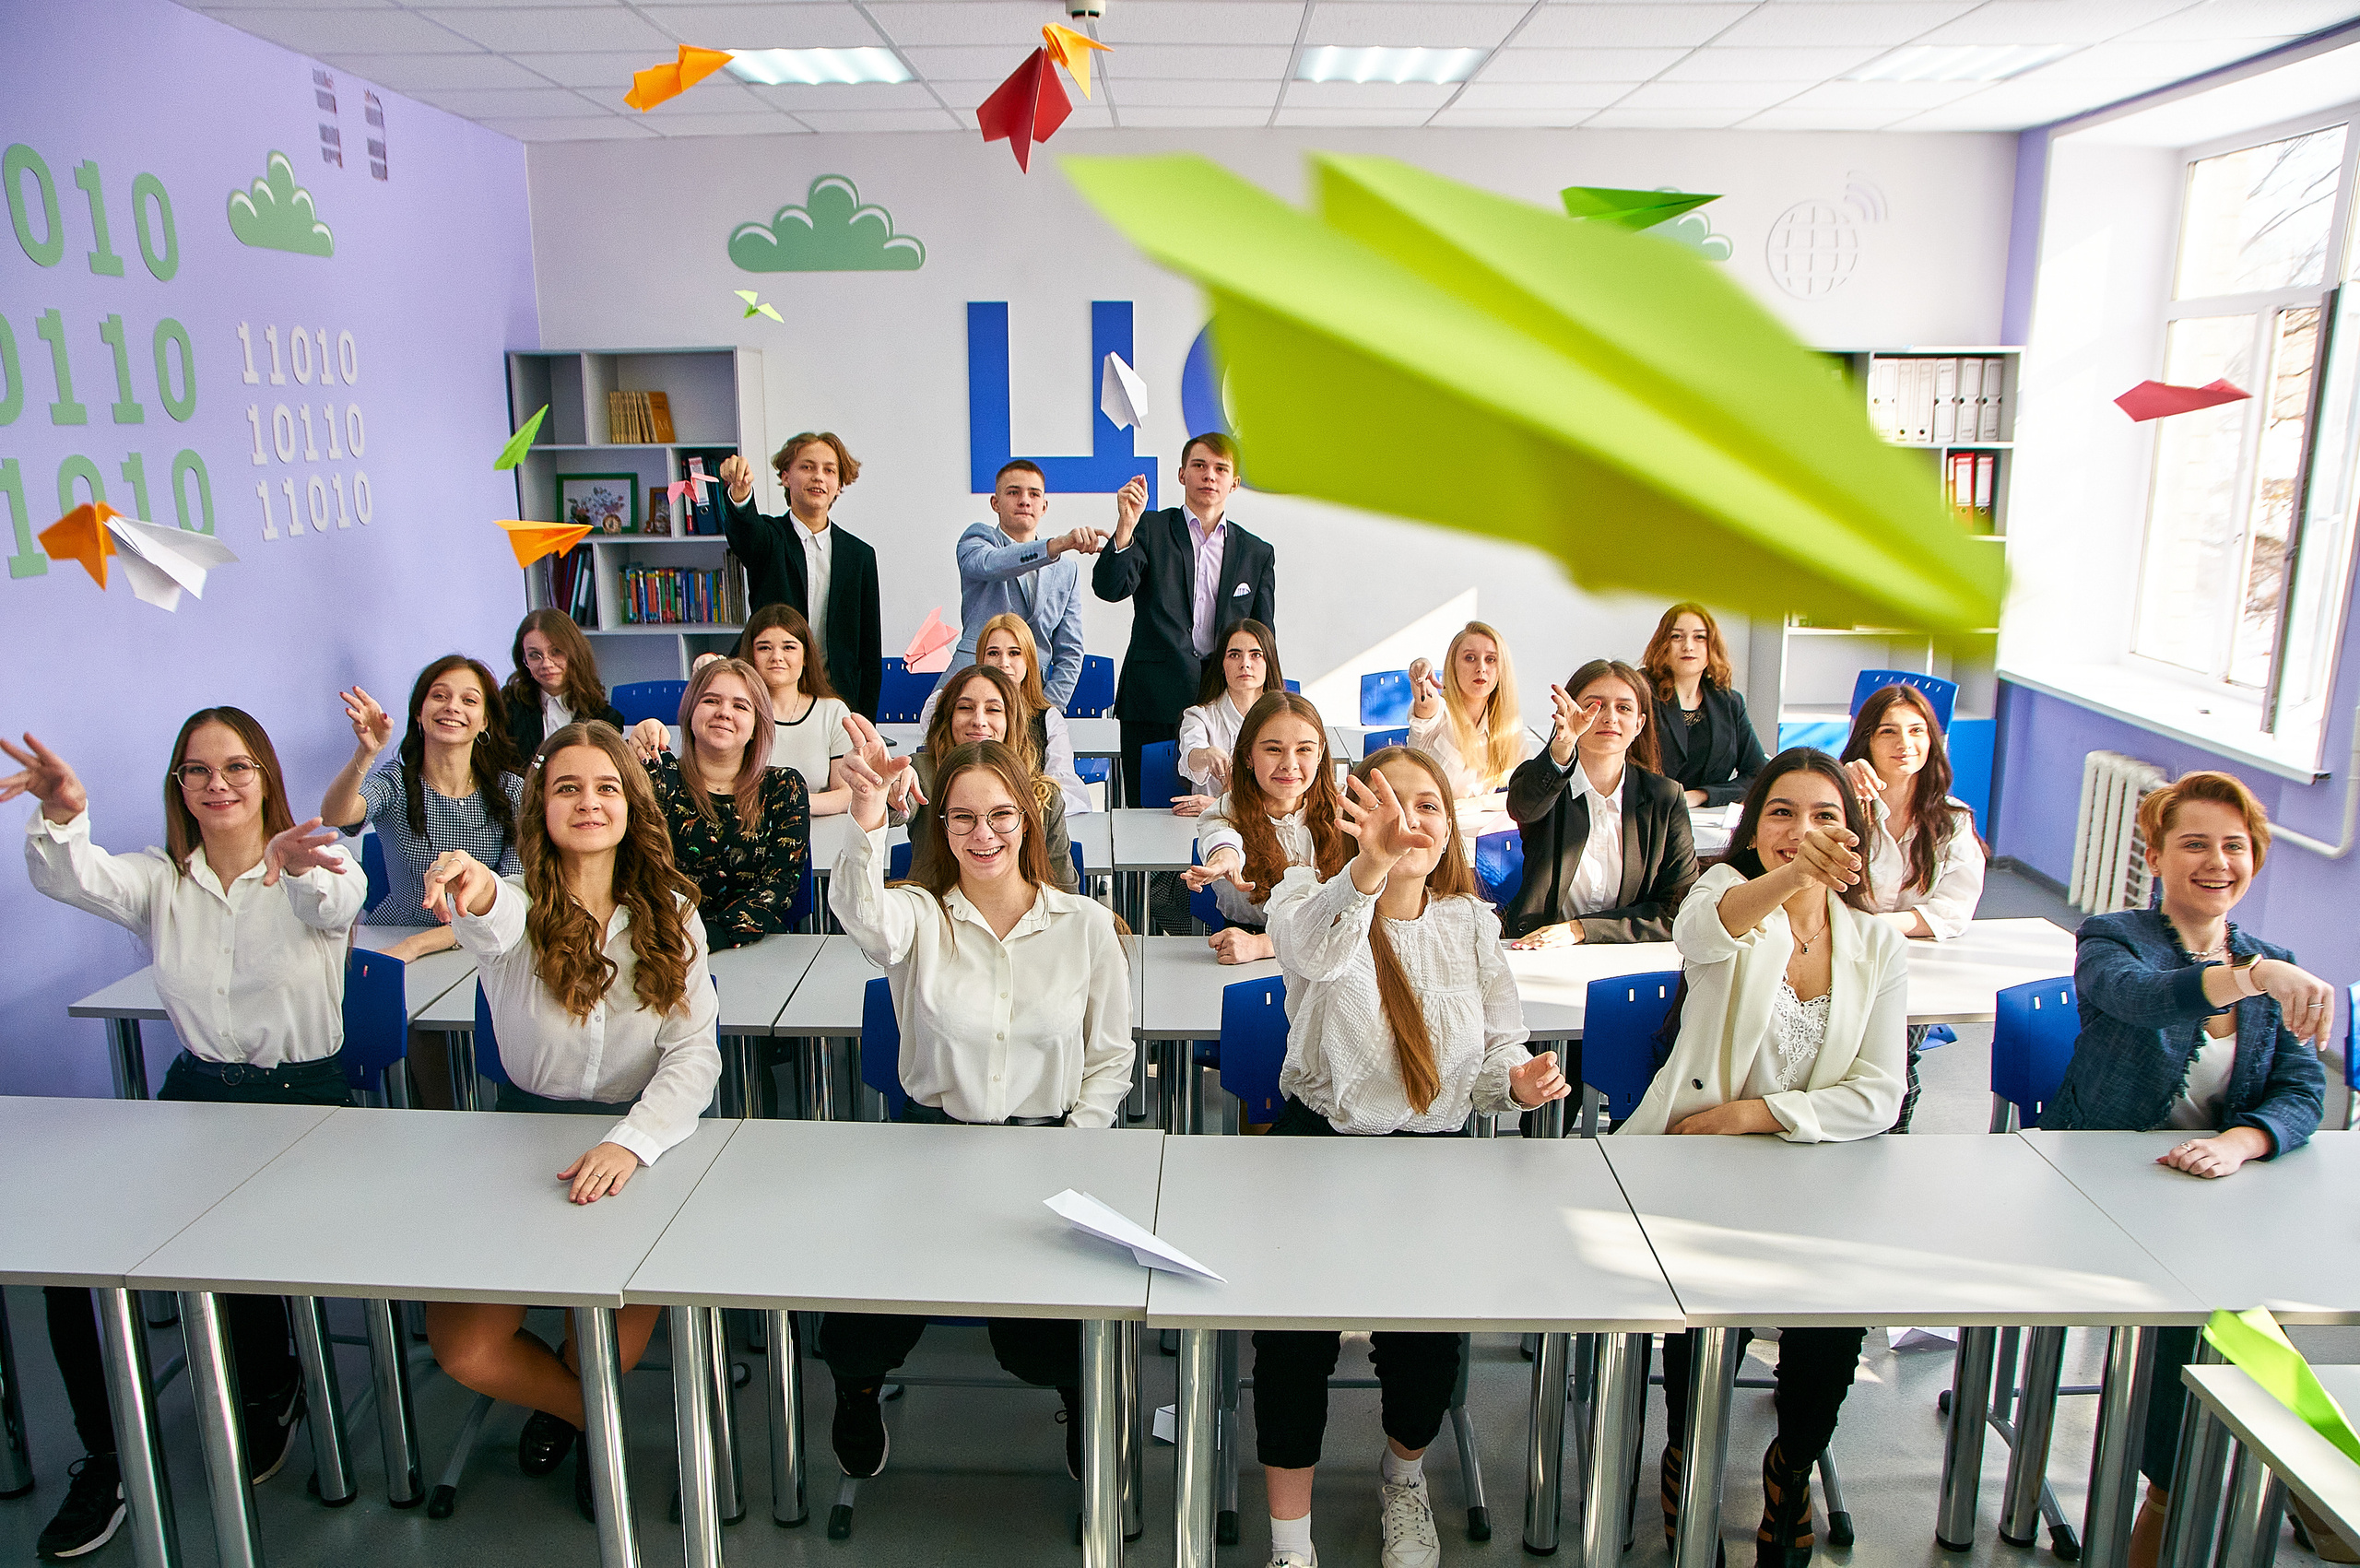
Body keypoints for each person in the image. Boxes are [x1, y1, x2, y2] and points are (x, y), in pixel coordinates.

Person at [5, 713, 358, 1558]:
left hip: (300, 1100)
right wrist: (63, 811)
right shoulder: (161, 880)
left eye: (236, 766)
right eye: (196, 771)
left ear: (266, 776)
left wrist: (301, 865)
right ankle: (108, 1455)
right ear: (180, 789)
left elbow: (332, 898)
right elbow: (70, 876)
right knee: (69, 1255)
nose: (218, 783)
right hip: (194, 1097)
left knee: (242, 1248)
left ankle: (272, 1389)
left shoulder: (317, 862)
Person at [1254, 746, 1569, 1568]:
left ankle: (1404, 1479)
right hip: (1320, 1153)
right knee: (1293, 1347)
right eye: (1392, 804)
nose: (1410, 821)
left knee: (1428, 1351)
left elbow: (1496, 1050)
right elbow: (1312, 956)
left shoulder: (1469, 924)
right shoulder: (1307, 896)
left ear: (1450, 826)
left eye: (1428, 806)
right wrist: (1365, 868)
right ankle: (1291, 1542)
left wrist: (1520, 1080)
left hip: (1432, 1163)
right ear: (1357, 816)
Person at [417, 720, 721, 1524]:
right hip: (520, 1138)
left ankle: (575, 1402)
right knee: (467, 1345)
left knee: (602, 1337)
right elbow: (486, 909)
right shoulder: (514, 907)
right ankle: (597, 1422)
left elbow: (694, 1059)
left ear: (631, 804)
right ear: (540, 809)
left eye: (606, 787)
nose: (588, 802)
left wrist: (630, 1141)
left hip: (638, 1144)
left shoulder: (675, 914)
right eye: (567, 787)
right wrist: (472, 882)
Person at [822, 718, 1133, 1483]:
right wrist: (867, 820)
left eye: (1000, 814)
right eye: (962, 816)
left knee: (1042, 1336)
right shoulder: (920, 915)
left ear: (1027, 820)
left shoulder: (1088, 926)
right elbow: (864, 917)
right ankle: (858, 1392)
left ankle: (1080, 1395)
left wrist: (1077, 1147)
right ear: (941, 824)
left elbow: (1111, 1059)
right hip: (932, 1148)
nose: (982, 832)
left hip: (1047, 1151)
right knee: (856, 1316)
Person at [1623, 748, 1908, 1568]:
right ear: (1755, 826)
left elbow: (1878, 1093)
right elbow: (1704, 930)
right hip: (1694, 1166)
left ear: (1851, 838)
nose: (1802, 829)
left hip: (1805, 1165)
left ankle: (1792, 1464)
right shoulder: (1725, 894)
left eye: (1824, 815)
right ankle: (1688, 1457)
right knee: (1705, 1316)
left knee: (1834, 1314)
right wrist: (1790, 877)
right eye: (1782, 812)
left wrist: (1755, 1113)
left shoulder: (1877, 944)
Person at [2037, 770, 2329, 1568]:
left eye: (2233, 846)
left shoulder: (2276, 960)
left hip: (2213, 1187)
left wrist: (2244, 1141)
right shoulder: (2112, 935)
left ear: (2255, 859)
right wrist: (2252, 978)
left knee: (2272, 1298)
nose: (2216, 861)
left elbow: (2304, 1089)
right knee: (2205, 1309)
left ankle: (2299, 1466)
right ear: (2157, 854)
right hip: (2098, 1184)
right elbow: (2142, 997)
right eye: (2193, 843)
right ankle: (2174, 1496)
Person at [1093, 433, 1276, 808]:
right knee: (1149, 815)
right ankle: (1156, 873)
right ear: (1181, 474)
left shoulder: (1256, 552)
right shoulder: (1150, 529)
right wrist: (1126, 526)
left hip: (1224, 705)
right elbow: (1109, 587)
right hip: (1153, 697)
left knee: (1227, 807)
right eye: (1199, 466)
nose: (1209, 476)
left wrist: (1267, 701)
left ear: (1234, 483)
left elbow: (1262, 637)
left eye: (1220, 469)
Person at [1837, 682, 1988, 1131]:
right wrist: (1837, 791)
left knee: (1892, 1057)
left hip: (1910, 961)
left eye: (1917, 731)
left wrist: (1880, 925)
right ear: (1866, 739)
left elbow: (1953, 910)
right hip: (1835, 955)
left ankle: (1891, 1135)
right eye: (1888, 732)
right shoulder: (1842, 806)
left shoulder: (1953, 820)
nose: (1905, 744)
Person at [324, 655, 523, 962]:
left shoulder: (511, 791)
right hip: (393, 936)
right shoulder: (396, 781)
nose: (452, 707)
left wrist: (416, 946)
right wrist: (366, 753)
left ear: (485, 721)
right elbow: (335, 815)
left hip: (479, 946)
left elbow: (508, 898)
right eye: (439, 696)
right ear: (419, 712)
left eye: (468, 700)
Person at [1503, 659, 1697, 946]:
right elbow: (1524, 807)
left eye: (1624, 708)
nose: (1609, 717)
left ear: (1639, 724)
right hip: (1539, 948)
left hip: (1626, 955)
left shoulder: (1665, 798)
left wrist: (1582, 929)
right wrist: (1562, 746)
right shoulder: (1547, 779)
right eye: (1594, 706)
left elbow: (1680, 908)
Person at [636, 658, 808, 950]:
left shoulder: (783, 786)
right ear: (690, 712)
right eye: (711, 700)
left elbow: (780, 885)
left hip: (755, 946)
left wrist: (710, 938)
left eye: (740, 706)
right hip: (664, 946)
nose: (723, 713)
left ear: (756, 726)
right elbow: (637, 875)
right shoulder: (657, 778)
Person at [720, 432, 882, 719]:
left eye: (829, 470)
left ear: (839, 485)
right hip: (770, 694)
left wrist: (865, 721)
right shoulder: (769, 539)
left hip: (836, 697)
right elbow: (744, 531)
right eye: (807, 467)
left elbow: (869, 652)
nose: (818, 477)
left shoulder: (859, 555)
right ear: (785, 477)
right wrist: (740, 493)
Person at [1184, 692, 1349, 966]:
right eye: (1273, 749)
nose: (1289, 764)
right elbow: (1222, 839)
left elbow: (1352, 915)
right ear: (1248, 755)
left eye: (1304, 750)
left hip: (1327, 955)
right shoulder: (1228, 810)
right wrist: (1225, 857)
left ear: (1320, 753)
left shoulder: (1344, 811)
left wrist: (1263, 945)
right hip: (1245, 959)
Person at [895, 663, 1079, 893]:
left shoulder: (1043, 793)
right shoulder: (921, 772)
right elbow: (895, 810)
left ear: (1011, 720)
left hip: (1022, 924)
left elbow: (1064, 891)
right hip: (936, 918)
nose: (979, 720)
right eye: (965, 708)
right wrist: (887, 789)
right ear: (948, 717)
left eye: (993, 710)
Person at [950, 458, 1103, 711]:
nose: (1024, 500)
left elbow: (1070, 652)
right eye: (1013, 492)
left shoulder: (1066, 570)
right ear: (995, 503)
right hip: (969, 691)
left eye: (1034, 494)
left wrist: (1047, 708)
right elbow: (991, 564)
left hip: (1033, 699)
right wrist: (1054, 546)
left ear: (1044, 506)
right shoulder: (977, 539)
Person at [916, 612, 1092, 819]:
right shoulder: (946, 705)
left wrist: (1013, 804)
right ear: (980, 659)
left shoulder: (1047, 719)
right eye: (993, 653)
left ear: (1029, 661)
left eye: (1015, 653)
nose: (1003, 663)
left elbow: (1068, 793)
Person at [1407, 620, 1534, 839]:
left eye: (1491, 659)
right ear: (1453, 666)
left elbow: (1530, 792)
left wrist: (1479, 803)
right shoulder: (1439, 713)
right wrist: (1420, 670)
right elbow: (1426, 704)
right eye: (1470, 658)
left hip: (1478, 835)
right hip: (1427, 834)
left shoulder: (1506, 725)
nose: (1481, 668)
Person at [1642, 602, 1767, 808]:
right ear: (1662, 645)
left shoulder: (1729, 703)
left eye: (1699, 637)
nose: (1688, 646)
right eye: (1676, 637)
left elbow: (1758, 774)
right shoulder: (1639, 694)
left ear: (1712, 646)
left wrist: (1702, 795)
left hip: (1710, 819)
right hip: (1648, 813)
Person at [737, 604, 855, 816]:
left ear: (806, 656)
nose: (776, 657)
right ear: (750, 655)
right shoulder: (738, 713)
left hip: (821, 831)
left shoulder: (834, 712)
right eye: (764, 648)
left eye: (789, 647)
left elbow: (845, 794)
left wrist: (788, 804)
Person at [1174, 619, 1285, 813]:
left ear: (1270, 662)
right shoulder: (1199, 716)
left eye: (1256, 655)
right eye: (1234, 655)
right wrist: (1206, 754)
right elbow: (1191, 755)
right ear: (1222, 664)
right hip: (1211, 827)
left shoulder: (1286, 718)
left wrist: (1222, 806)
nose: (1245, 664)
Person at [502, 608, 625, 763]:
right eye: (534, 655)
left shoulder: (606, 718)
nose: (546, 663)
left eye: (556, 652)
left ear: (574, 653)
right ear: (524, 660)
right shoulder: (507, 707)